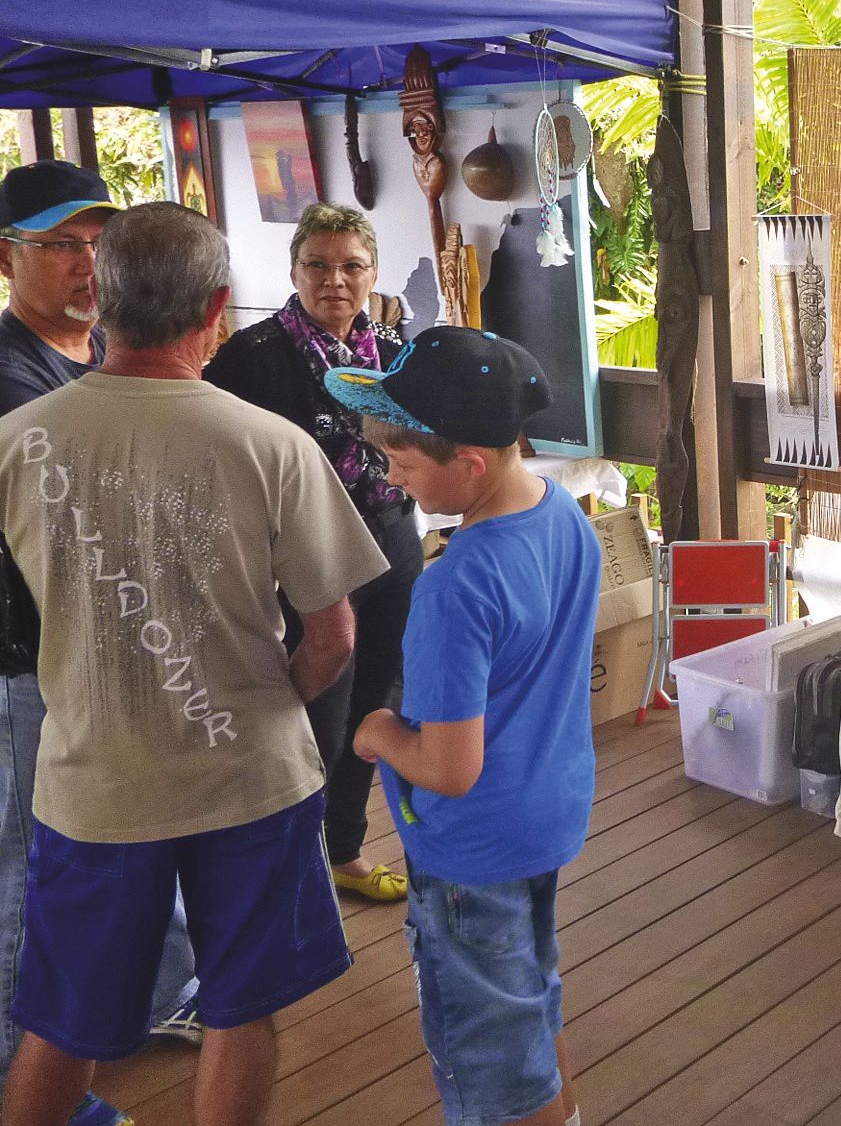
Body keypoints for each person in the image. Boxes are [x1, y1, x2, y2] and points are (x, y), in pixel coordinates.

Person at [0, 203, 387, 1126]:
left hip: (94, 783)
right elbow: (333, 634)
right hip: (249, 780)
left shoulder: (17, 441)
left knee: (62, 1021)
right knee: (239, 1012)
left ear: (105, 300)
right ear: (217, 307)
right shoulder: (270, 445)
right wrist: (268, 706)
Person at [330, 327, 598, 1126]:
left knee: (490, 1063)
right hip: (544, 815)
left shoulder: (455, 586)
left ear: (469, 465)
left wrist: (376, 731)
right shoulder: (561, 516)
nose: (391, 475)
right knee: (529, 1004)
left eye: (404, 464)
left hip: (471, 847)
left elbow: (449, 768)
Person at [0, 164, 201, 1126]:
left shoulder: (92, 364)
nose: (85, 266)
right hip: (20, 665)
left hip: (91, 657)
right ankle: (14, 1077)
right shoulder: (12, 382)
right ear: (7, 259)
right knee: (21, 863)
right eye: (58, 246)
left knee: (113, 833)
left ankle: (143, 1002)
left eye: (97, 247)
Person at [204, 203, 421, 902]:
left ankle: (344, 846)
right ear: (293, 271)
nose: (335, 280)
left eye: (352, 266)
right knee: (314, 704)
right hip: (304, 554)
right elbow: (225, 467)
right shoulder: (251, 357)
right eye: (318, 266)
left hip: (390, 535)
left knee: (376, 699)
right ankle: (292, 862)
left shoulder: (394, 348)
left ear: (373, 273)